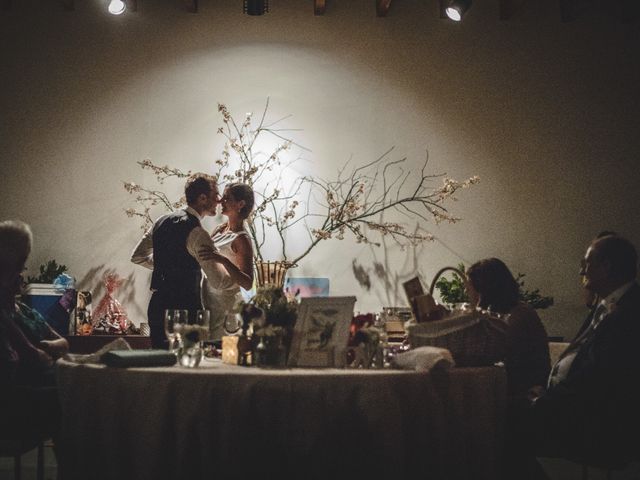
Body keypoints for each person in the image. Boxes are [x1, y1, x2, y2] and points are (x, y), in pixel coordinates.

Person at [131, 173, 238, 348]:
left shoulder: (161, 221)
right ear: (203, 198)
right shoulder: (197, 233)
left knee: (160, 364)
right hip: (185, 313)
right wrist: (241, 278)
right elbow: (219, 281)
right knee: (185, 368)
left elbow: (138, 256)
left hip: (157, 307)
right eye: (216, 195)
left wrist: (167, 266)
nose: (219, 200)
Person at [0, 220, 63, 452]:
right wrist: (46, 353)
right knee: (71, 401)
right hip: (11, 402)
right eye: (19, 268)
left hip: (23, 387)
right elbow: (32, 355)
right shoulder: (5, 313)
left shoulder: (23, 310)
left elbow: (55, 344)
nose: (22, 276)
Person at [465, 258, 551, 402]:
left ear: (483, 289)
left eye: (469, 287)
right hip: (513, 387)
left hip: (525, 394)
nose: (467, 291)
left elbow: (491, 353)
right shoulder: (512, 311)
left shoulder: (518, 315)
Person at [199, 183, 255, 340]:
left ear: (240, 204)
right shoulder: (219, 229)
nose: (220, 201)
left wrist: (222, 259)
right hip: (209, 301)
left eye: (227, 198)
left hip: (227, 306)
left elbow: (247, 282)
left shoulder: (242, 238)